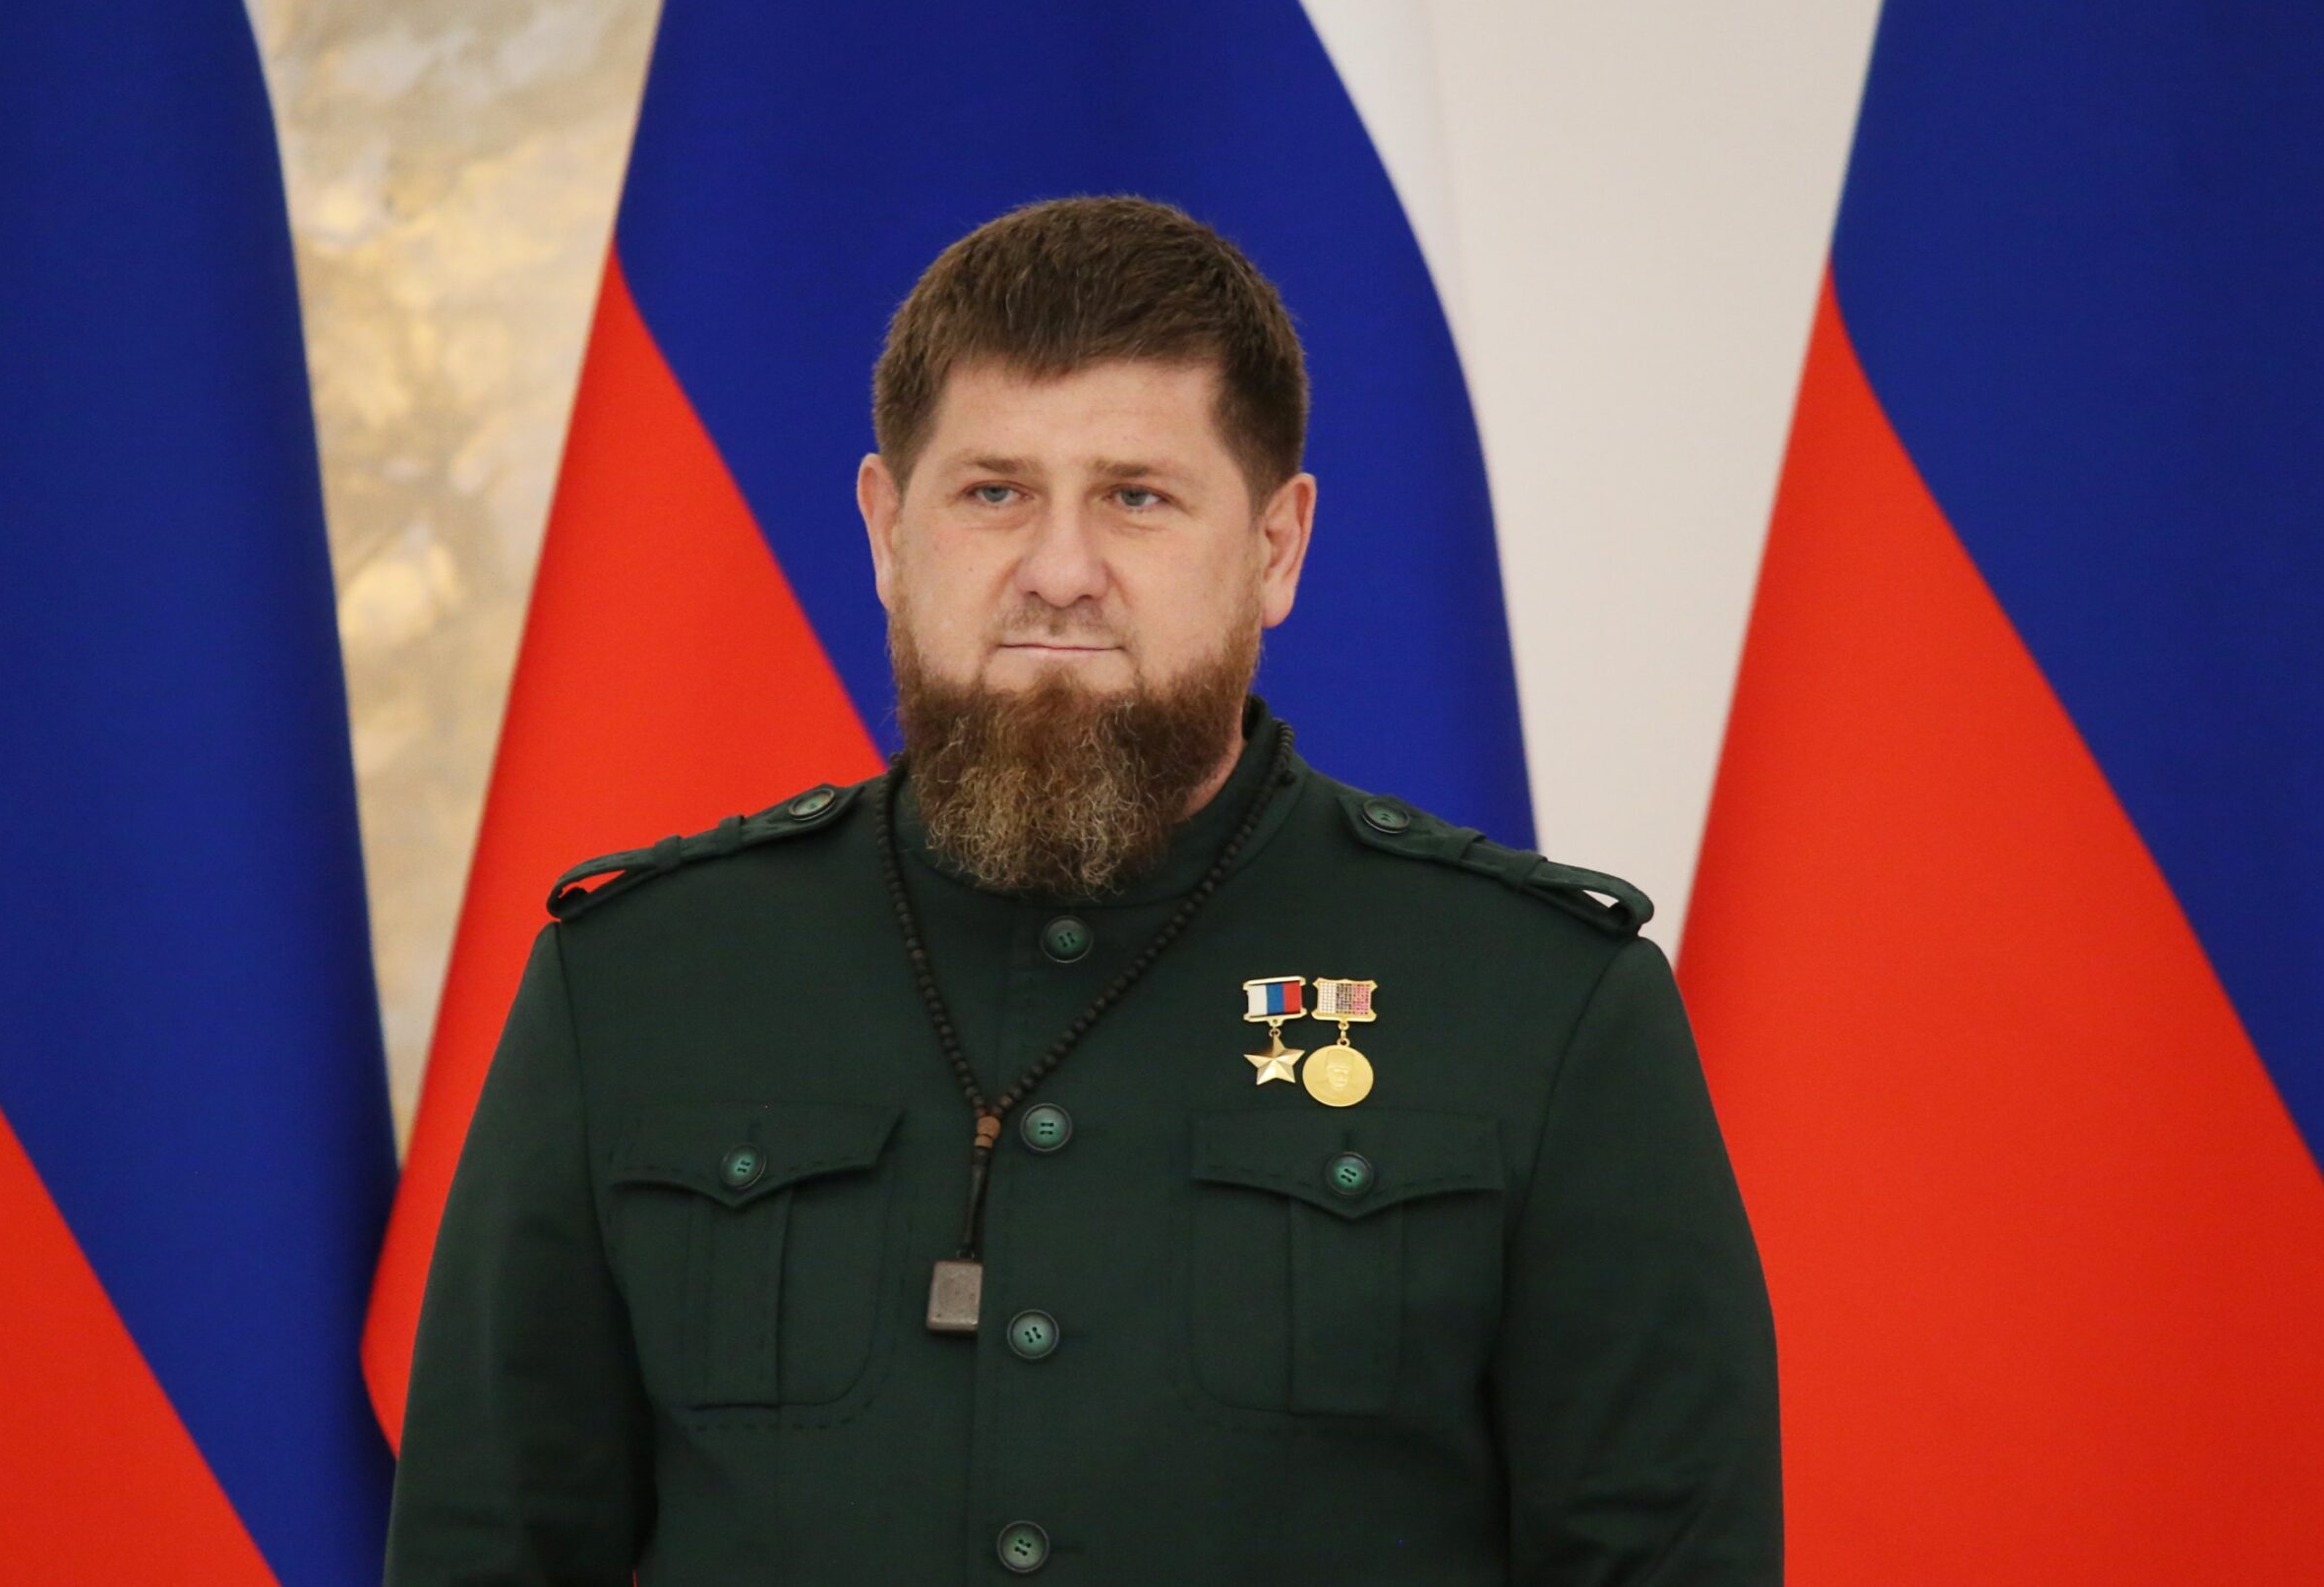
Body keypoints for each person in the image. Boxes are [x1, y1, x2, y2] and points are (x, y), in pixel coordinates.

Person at [385, 195, 1780, 1585]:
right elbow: (486, 1552)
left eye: (1137, 497)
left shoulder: (1541, 1005)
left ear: (1277, 549)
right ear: (887, 530)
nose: (1060, 573)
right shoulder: (639, 984)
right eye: (994, 492)